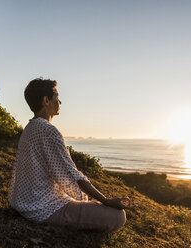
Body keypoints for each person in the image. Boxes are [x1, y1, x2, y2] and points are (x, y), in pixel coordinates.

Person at [8, 78, 134, 232]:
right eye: (57, 97)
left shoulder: (29, 127)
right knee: (118, 216)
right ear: (46, 101)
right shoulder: (48, 131)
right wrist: (106, 200)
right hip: (43, 208)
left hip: (24, 203)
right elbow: (71, 175)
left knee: (94, 206)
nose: (60, 102)